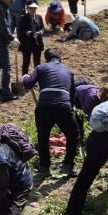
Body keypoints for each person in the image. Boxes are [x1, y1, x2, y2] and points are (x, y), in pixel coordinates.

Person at [22, 47, 79, 178]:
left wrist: (25, 77)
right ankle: (68, 165)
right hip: (63, 106)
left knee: (43, 137)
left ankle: (45, 167)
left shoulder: (41, 68)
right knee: (73, 135)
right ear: (61, 59)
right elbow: (72, 94)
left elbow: (28, 84)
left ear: (45, 59)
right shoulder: (69, 71)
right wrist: (70, 108)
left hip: (44, 107)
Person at [17, 0, 45, 75]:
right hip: (26, 43)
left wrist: (40, 32)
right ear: (27, 8)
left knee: (37, 62)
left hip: (37, 43)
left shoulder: (39, 17)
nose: (33, 10)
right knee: (26, 62)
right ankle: (25, 77)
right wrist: (29, 33)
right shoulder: (23, 18)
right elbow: (20, 30)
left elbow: (42, 27)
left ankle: (37, 77)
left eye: (34, 9)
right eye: (31, 8)